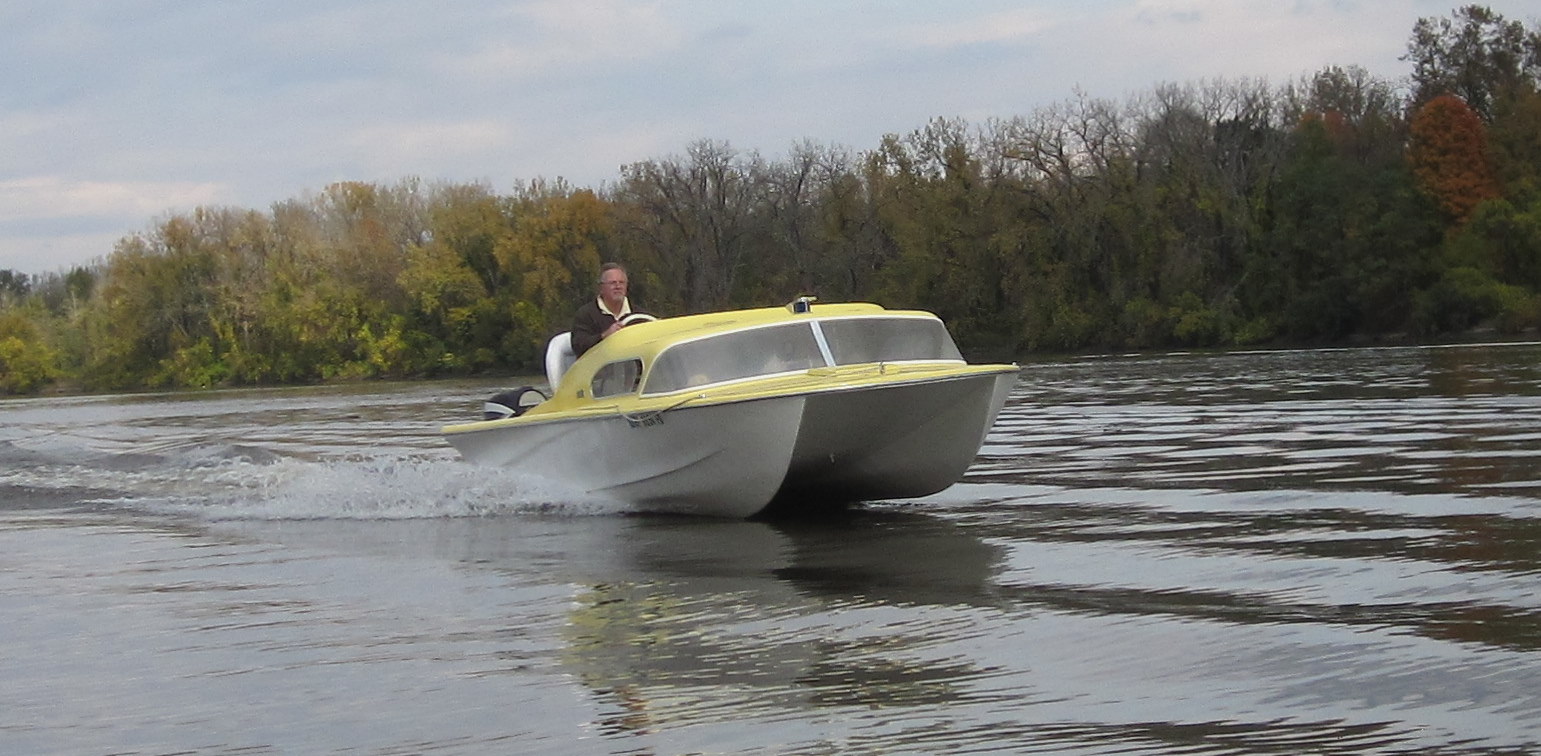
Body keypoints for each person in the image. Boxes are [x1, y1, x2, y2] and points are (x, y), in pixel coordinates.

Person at [571, 262, 646, 356]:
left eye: (621, 282)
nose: (618, 287)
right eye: (613, 283)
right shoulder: (585, 314)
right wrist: (604, 336)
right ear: (601, 288)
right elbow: (578, 346)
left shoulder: (640, 315)